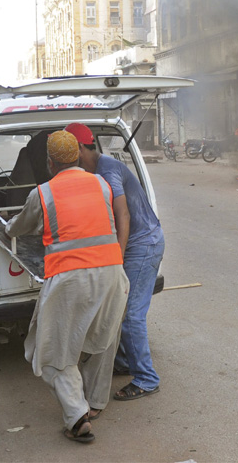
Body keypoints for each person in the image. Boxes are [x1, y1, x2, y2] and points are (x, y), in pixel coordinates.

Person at [5, 130, 129, 443]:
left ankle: (77, 417)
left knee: (53, 349)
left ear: (49, 162)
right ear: (77, 157)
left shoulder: (43, 193)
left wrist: (6, 224)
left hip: (70, 278)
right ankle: (96, 402)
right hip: (112, 273)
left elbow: (19, 227)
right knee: (102, 340)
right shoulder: (101, 183)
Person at [65, 122, 165, 401]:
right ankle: (123, 362)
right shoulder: (91, 171)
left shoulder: (107, 170)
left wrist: (116, 260)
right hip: (135, 244)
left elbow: (122, 215)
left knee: (131, 314)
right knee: (118, 308)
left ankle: (146, 378)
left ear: (80, 149)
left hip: (143, 245)